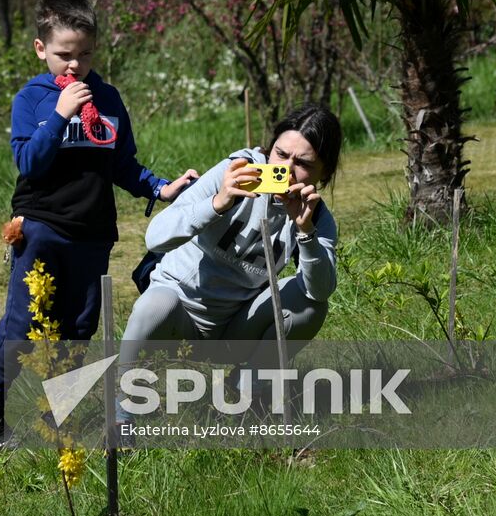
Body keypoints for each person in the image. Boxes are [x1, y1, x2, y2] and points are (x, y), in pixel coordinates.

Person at [0, 0, 197, 450]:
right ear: (41, 49)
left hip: (92, 232)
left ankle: (55, 417)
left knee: (81, 326)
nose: (74, 66)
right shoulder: (32, 99)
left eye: (84, 55)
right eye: (64, 55)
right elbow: (29, 161)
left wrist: (159, 188)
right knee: (26, 324)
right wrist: (59, 114)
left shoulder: (108, 98)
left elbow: (121, 163)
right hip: (42, 226)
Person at [116, 103, 342, 423]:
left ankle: (245, 392)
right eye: (280, 154)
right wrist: (217, 203)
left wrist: (305, 233)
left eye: (303, 163)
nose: (287, 169)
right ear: (269, 148)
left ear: (324, 173)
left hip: (235, 328)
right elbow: (155, 238)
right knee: (153, 303)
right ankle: (124, 411)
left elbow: (320, 291)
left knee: (311, 306)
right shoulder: (235, 172)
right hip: (177, 319)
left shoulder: (316, 215)